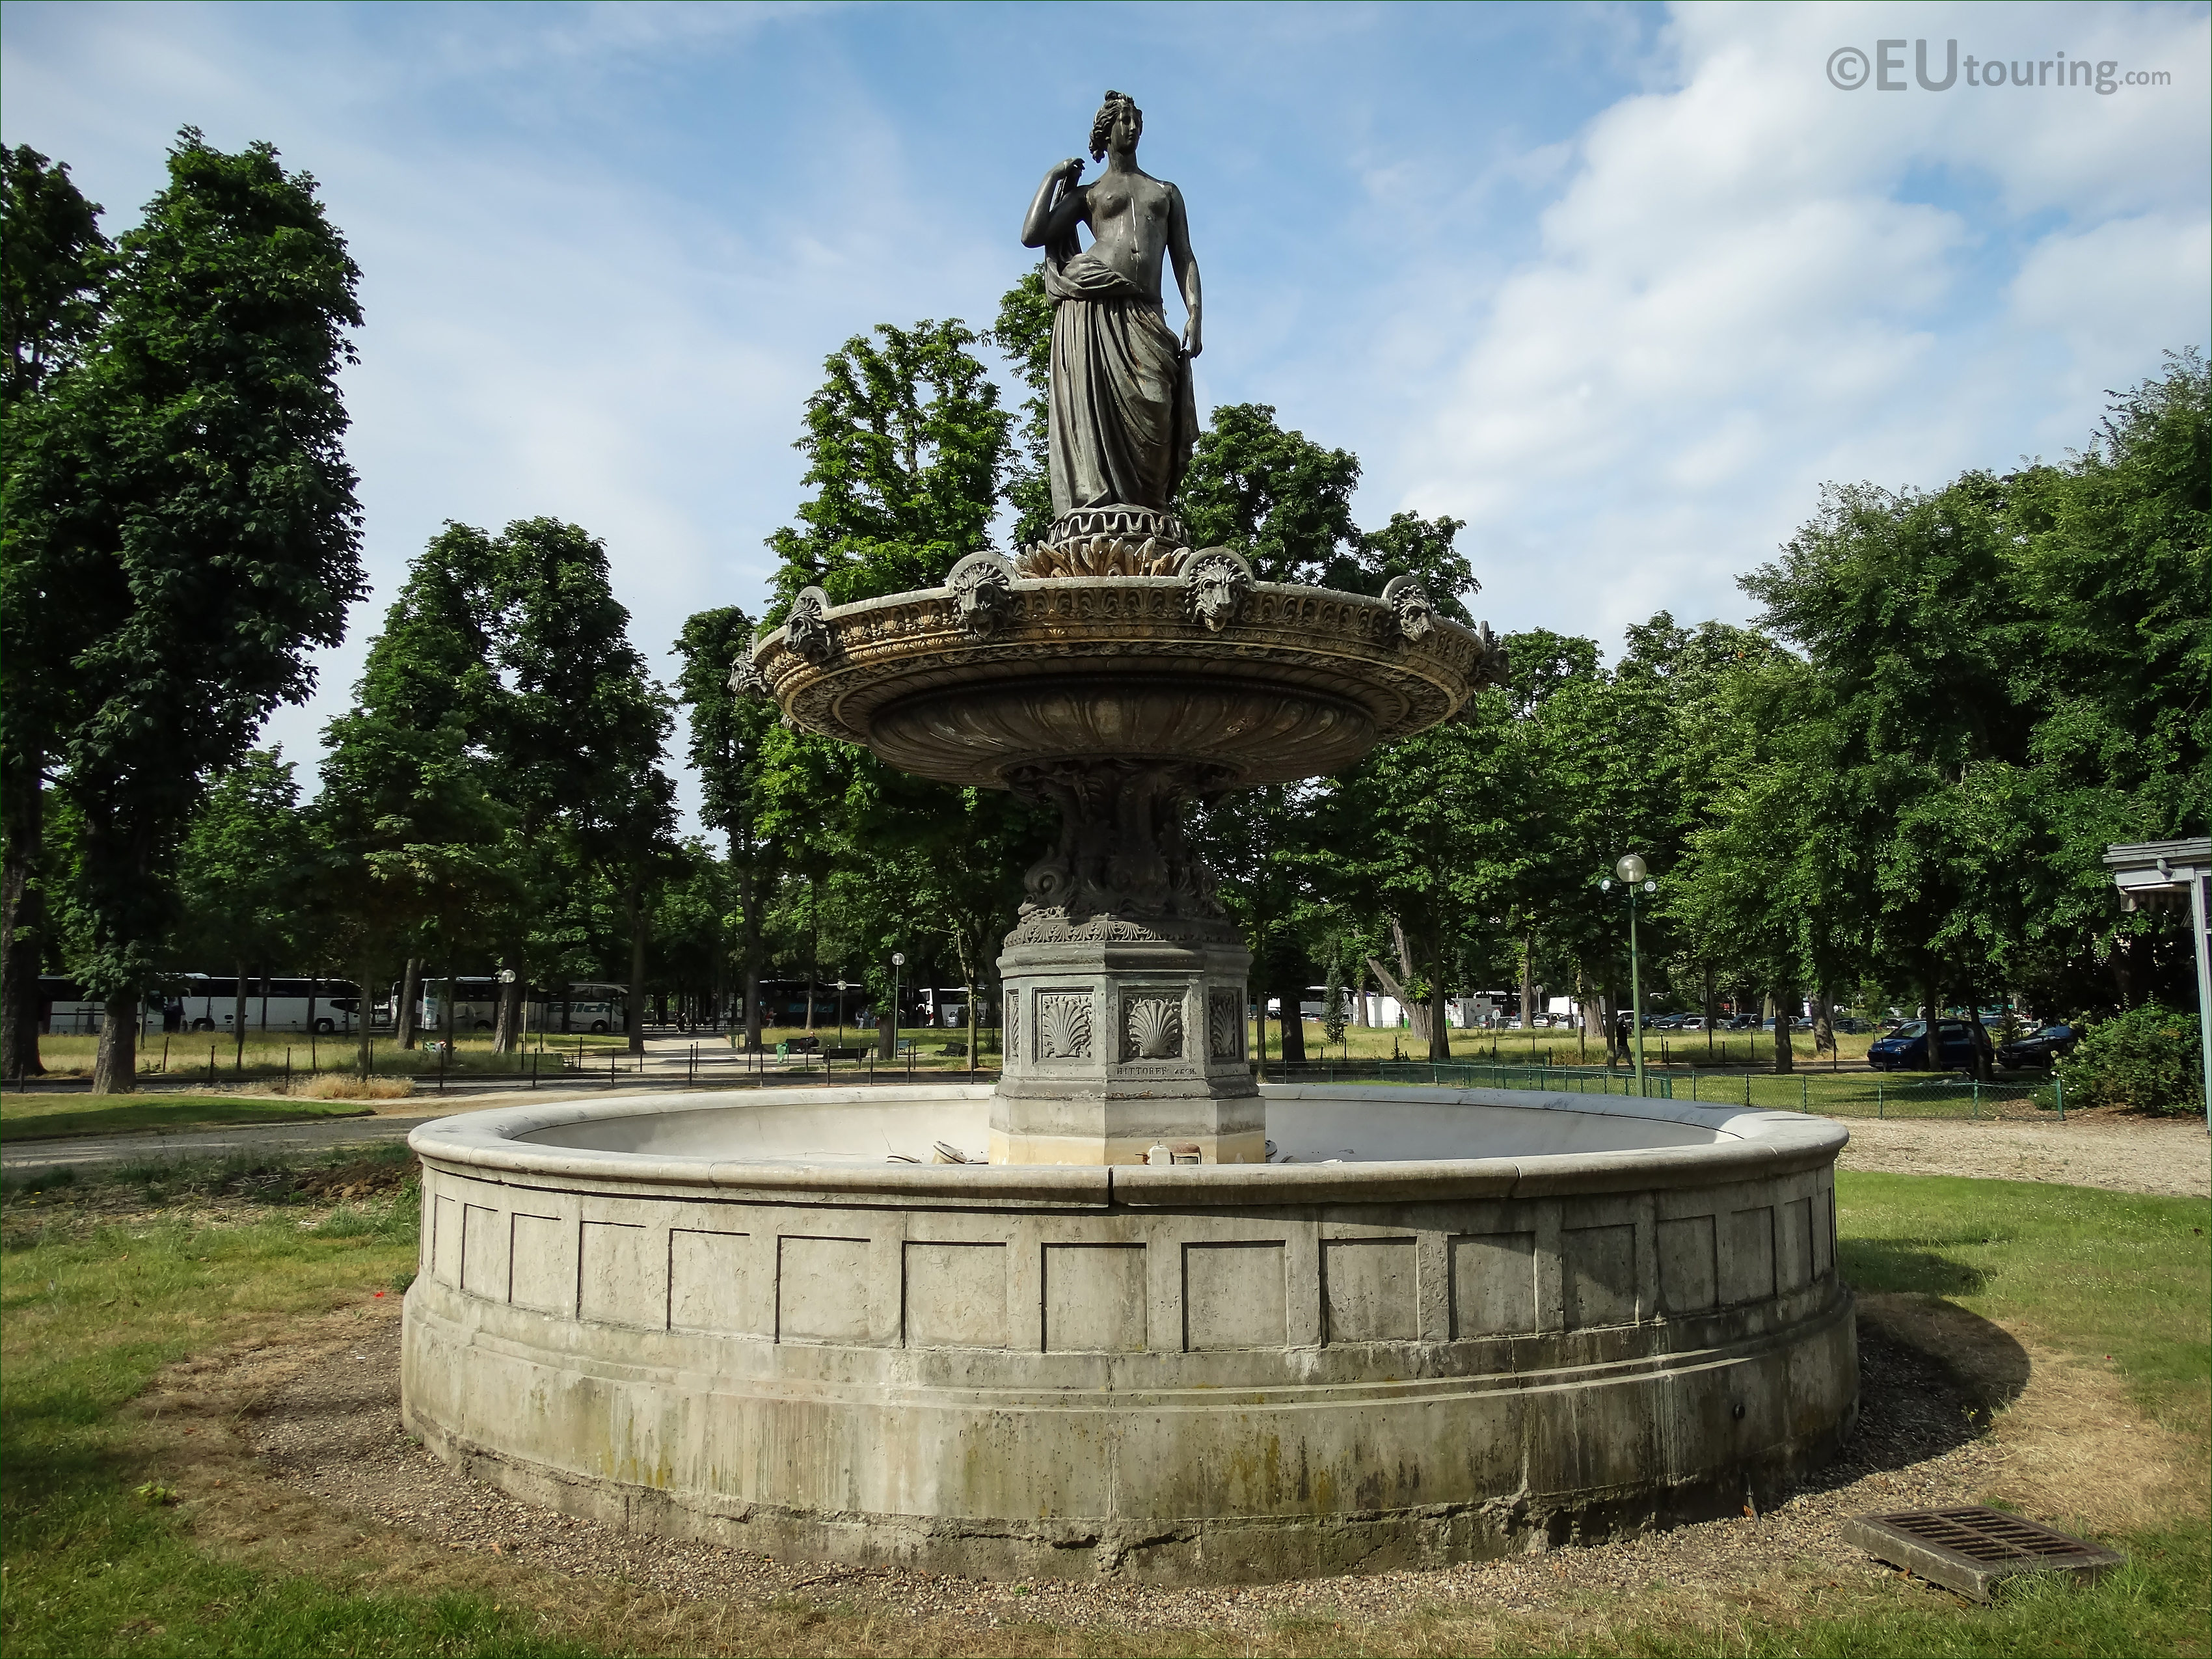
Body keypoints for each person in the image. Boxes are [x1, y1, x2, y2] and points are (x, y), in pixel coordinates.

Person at [1019, 90, 1202, 519]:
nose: (1133, 128)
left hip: (1145, 313)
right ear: (1107, 130)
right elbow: (1033, 233)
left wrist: (1195, 311)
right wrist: (1052, 177)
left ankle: (1151, 514)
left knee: (1156, 408)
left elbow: (1184, 255)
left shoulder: (1165, 191)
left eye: (1138, 120)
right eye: (1125, 121)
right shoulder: (1090, 194)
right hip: (1094, 308)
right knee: (1096, 418)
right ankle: (1101, 511)